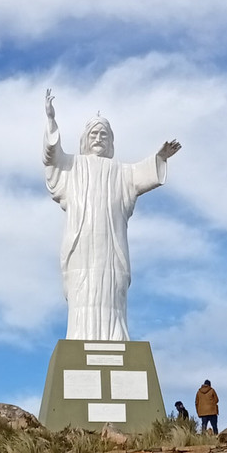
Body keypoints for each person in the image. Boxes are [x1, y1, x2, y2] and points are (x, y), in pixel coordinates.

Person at [43, 89, 181, 341]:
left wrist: (159, 157)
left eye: (103, 134)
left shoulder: (121, 171)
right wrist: (51, 121)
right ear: (85, 139)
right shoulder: (73, 166)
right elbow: (52, 156)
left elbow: (144, 173)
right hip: (82, 243)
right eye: (94, 134)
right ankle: (79, 336)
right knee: (82, 288)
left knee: (111, 288)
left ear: (111, 141)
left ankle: (114, 337)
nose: (98, 138)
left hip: (111, 245)